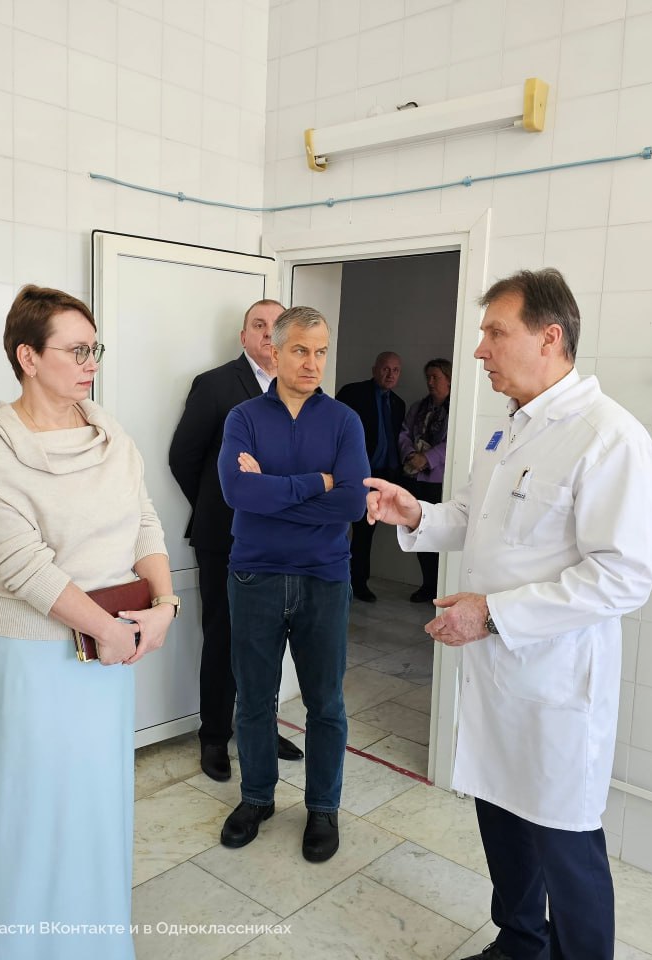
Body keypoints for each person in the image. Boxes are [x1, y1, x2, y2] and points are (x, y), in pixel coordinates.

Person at [365, 269, 652, 960]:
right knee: (501, 819)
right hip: (497, 678)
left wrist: (493, 614)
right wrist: (415, 514)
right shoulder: (510, 430)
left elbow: (623, 576)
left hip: (555, 685)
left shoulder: (609, 438)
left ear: (549, 338)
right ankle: (520, 942)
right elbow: (474, 518)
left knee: (565, 843)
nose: (479, 350)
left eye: (495, 333)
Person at [0, 285, 176, 960]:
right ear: (28, 357)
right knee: (32, 811)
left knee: (94, 804)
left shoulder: (109, 432)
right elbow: (21, 563)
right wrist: (104, 629)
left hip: (109, 652)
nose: (91, 363)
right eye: (76, 350)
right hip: (34, 657)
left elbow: (144, 521)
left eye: (95, 349)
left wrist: (165, 604)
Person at [216, 306, 369, 863]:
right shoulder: (244, 418)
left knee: (325, 702)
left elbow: (352, 503)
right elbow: (238, 493)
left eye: (321, 351)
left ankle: (323, 807)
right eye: (300, 350)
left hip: (323, 578)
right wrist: (315, 483)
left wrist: (276, 493)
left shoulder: (344, 421)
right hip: (254, 575)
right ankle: (257, 797)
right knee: (254, 698)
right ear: (274, 351)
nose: (312, 362)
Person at [168, 299, 305, 783]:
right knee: (224, 637)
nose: (268, 334)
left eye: (277, 326)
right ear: (244, 336)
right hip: (224, 537)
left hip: (281, 539)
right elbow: (183, 457)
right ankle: (213, 736)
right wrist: (223, 503)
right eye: (258, 325)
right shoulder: (215, 385)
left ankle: (263, 727)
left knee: (270, 637)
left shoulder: (299, 388)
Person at [336, 352, 405, 602]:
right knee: (338, 526)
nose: (390, 375)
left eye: (395, 370)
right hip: (352, 474)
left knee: (366, 533)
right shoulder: (353, 393)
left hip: (381, 478)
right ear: (374, 369)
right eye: (386, 369)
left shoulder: (398, 404)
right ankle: (335, 581)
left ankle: (359, 582)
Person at [397, 358, 452, 603]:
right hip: (414, 478)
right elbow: (404, 434)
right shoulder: (418, 407)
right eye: (428, 377)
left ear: (448, 379)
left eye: (435, 377)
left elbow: (453, 442)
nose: (430, 382)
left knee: (439, 534)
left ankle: (442, 588)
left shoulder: (456, 408)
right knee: (420, 532)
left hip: (439, 481)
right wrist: (411, 455)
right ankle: (428, 585)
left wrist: (427, 458)